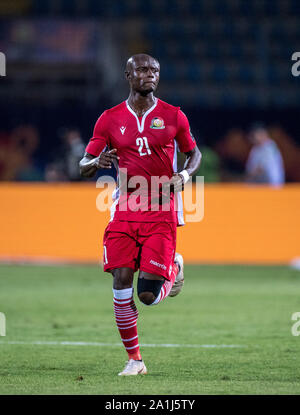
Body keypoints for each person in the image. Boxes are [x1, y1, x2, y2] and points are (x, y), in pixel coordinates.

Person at [79, 54, 202, 376]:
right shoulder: (109, 119)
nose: (150, 75)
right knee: (120, 282)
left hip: (162, 207)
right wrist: (95, 163)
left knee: (146, 296)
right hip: (125, 208)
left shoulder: (173, 116)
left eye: (155, 71)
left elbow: (193, 153)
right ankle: (135, 360)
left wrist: (185, 176)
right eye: (144, 70)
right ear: (128, 75)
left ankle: (173, 267)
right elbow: (83, 165)